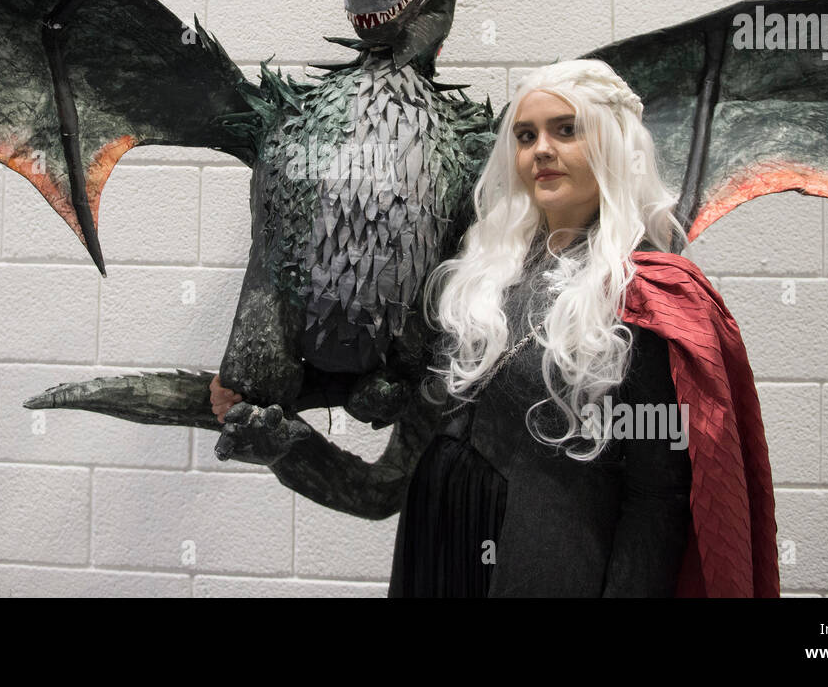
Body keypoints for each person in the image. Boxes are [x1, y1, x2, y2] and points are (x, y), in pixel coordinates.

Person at [214, 59, 780, 598]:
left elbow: (659, 499)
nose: (541, 150)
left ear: (613, 144)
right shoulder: (478, 281)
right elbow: (383, 482)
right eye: (527, 136)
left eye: (566, 130)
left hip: (547, 569)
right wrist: (284, 443)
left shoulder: (651, 296)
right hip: (433, 555)